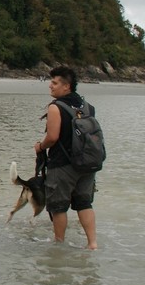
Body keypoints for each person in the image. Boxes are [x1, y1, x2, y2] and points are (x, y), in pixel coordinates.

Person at [34, 66, 98, 250]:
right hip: (87, 164)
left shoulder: (56, 107)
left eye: (54, 83)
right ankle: (92, 243)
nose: (50, 86)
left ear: (66, 86)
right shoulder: (88, 107)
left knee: (58, 206)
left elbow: (52, 137)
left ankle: (59, 243)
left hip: (62, 164)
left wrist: (40, 146)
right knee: (84, 203)